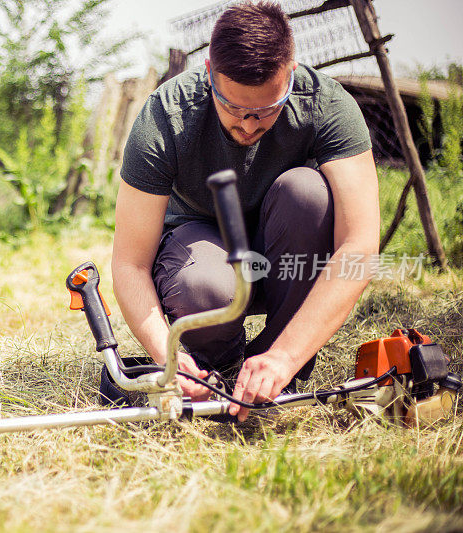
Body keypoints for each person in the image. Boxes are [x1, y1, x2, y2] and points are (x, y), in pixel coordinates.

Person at [112, 1, 379, 422]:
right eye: (233, 108)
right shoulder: (165, 115)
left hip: (287, 249)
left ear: (290, 72)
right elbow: (129, 263)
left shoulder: (328, 106)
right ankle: (215, 366)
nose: (250, 126)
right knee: (203, 284)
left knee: (308, 193)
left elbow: (360, 247)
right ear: (208, 71)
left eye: (267, 109)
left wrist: (285, 356)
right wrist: (168, 356)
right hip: (201, 245)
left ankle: (275, 361)